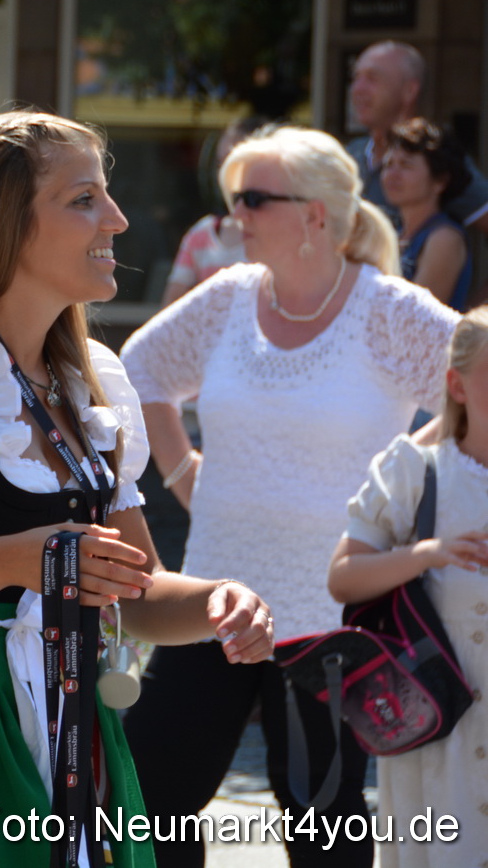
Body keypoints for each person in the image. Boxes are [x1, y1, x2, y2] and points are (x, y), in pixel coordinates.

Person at [0, 110, 276, 868]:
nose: (119, 219)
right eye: (84, 199)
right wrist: (6, 561)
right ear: (4, 224)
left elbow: (135, 590)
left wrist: (218, 601)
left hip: (85, 739)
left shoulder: (93, 380)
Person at [120, 125, 458, 868]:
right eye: (231, 197)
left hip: (328, 614)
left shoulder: (389, 310)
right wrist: (183, 474)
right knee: (145, 796)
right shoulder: (231, 296)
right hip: (212, 596)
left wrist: (401, 480)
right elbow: (137, 369)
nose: (233, 215)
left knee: (322, 819)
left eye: (252, 198)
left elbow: (477, 390)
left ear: (316, 214)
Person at [327, 306, 488, 868]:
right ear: (457, 385)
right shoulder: (415, 472)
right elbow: (343, 577)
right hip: (437, 729)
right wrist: (427, 552)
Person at [345, 41, 488, 235]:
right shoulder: (350, 155)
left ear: (409, 91)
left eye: (372, 78)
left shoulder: (436, 156)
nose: (357, 89)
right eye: (356, 77)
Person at [161, 114, 269, 305]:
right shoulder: (201, 234)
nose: (224, 173)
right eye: (221, 163)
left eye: (233, 162)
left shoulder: (284, 234)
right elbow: (170, 309)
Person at [380, 117, 473, 310]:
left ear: (440, 181)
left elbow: (414, 318)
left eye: (406, 165)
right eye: (389, 164)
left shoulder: (444, 239)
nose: (392, 174)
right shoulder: (393, 234)